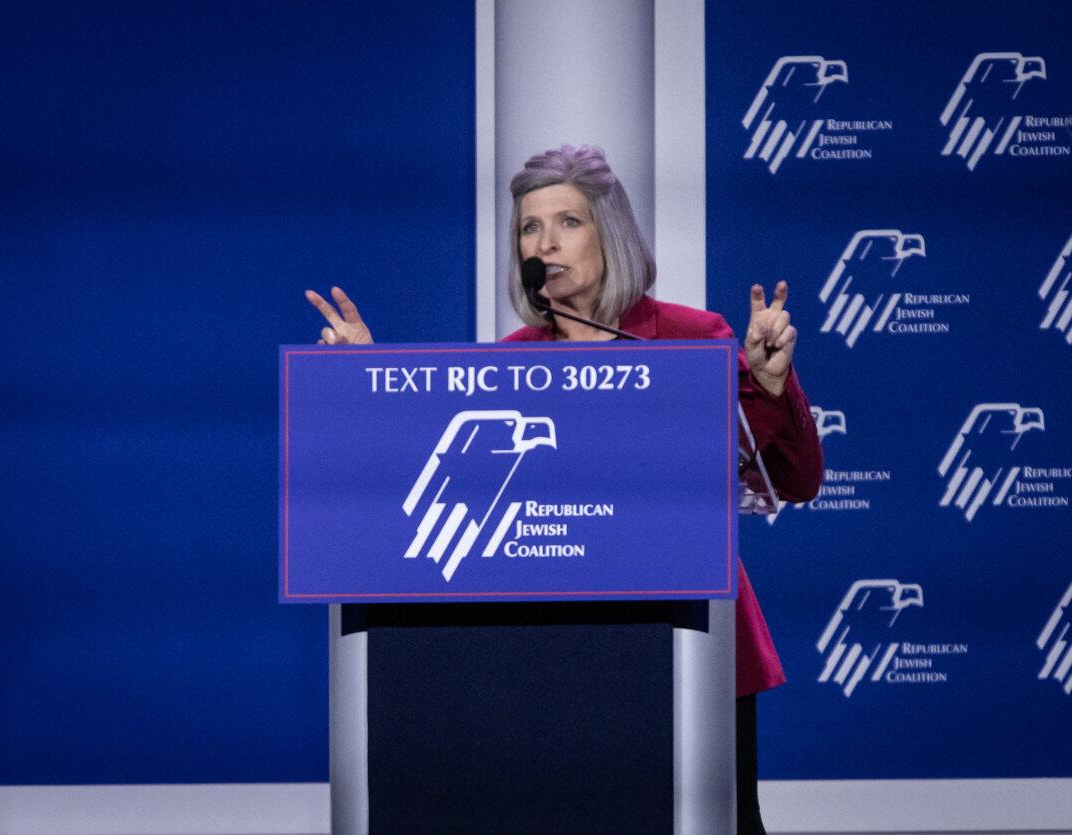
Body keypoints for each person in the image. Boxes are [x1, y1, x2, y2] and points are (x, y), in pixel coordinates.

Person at [307, 145, 823, 833]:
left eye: (568, 223)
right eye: (529, 227)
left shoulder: (692, 339)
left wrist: (767, 386)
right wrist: (369, 387)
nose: (545, 243)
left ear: (610, 234)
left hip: (688, 639)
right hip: (551, 654)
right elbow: (443, 499)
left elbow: (795, 479)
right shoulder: (512, 363)